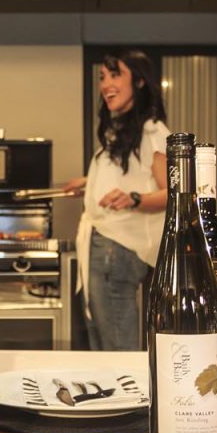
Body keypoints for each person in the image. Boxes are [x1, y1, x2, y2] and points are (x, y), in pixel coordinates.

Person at [63, 50, 169, 350]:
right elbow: (132, 176)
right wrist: (89, 183)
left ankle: (128, 384)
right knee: (101, 339)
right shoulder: (122, 130)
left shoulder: (152, 130)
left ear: (139, 81)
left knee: (116, 346)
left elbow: (174, 193)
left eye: (115, 75)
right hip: (105, 242)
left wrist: (133, 199)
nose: (106, 84)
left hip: (118, 246)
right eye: (102, 77)